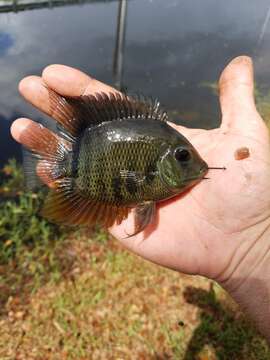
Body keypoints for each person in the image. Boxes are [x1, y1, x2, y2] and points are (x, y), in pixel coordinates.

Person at [11, 56, 270, 341]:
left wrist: (256, 244)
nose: (193, 165)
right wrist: (254, 254)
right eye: (182, 158)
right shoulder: (157, 144)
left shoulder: (163, 149)